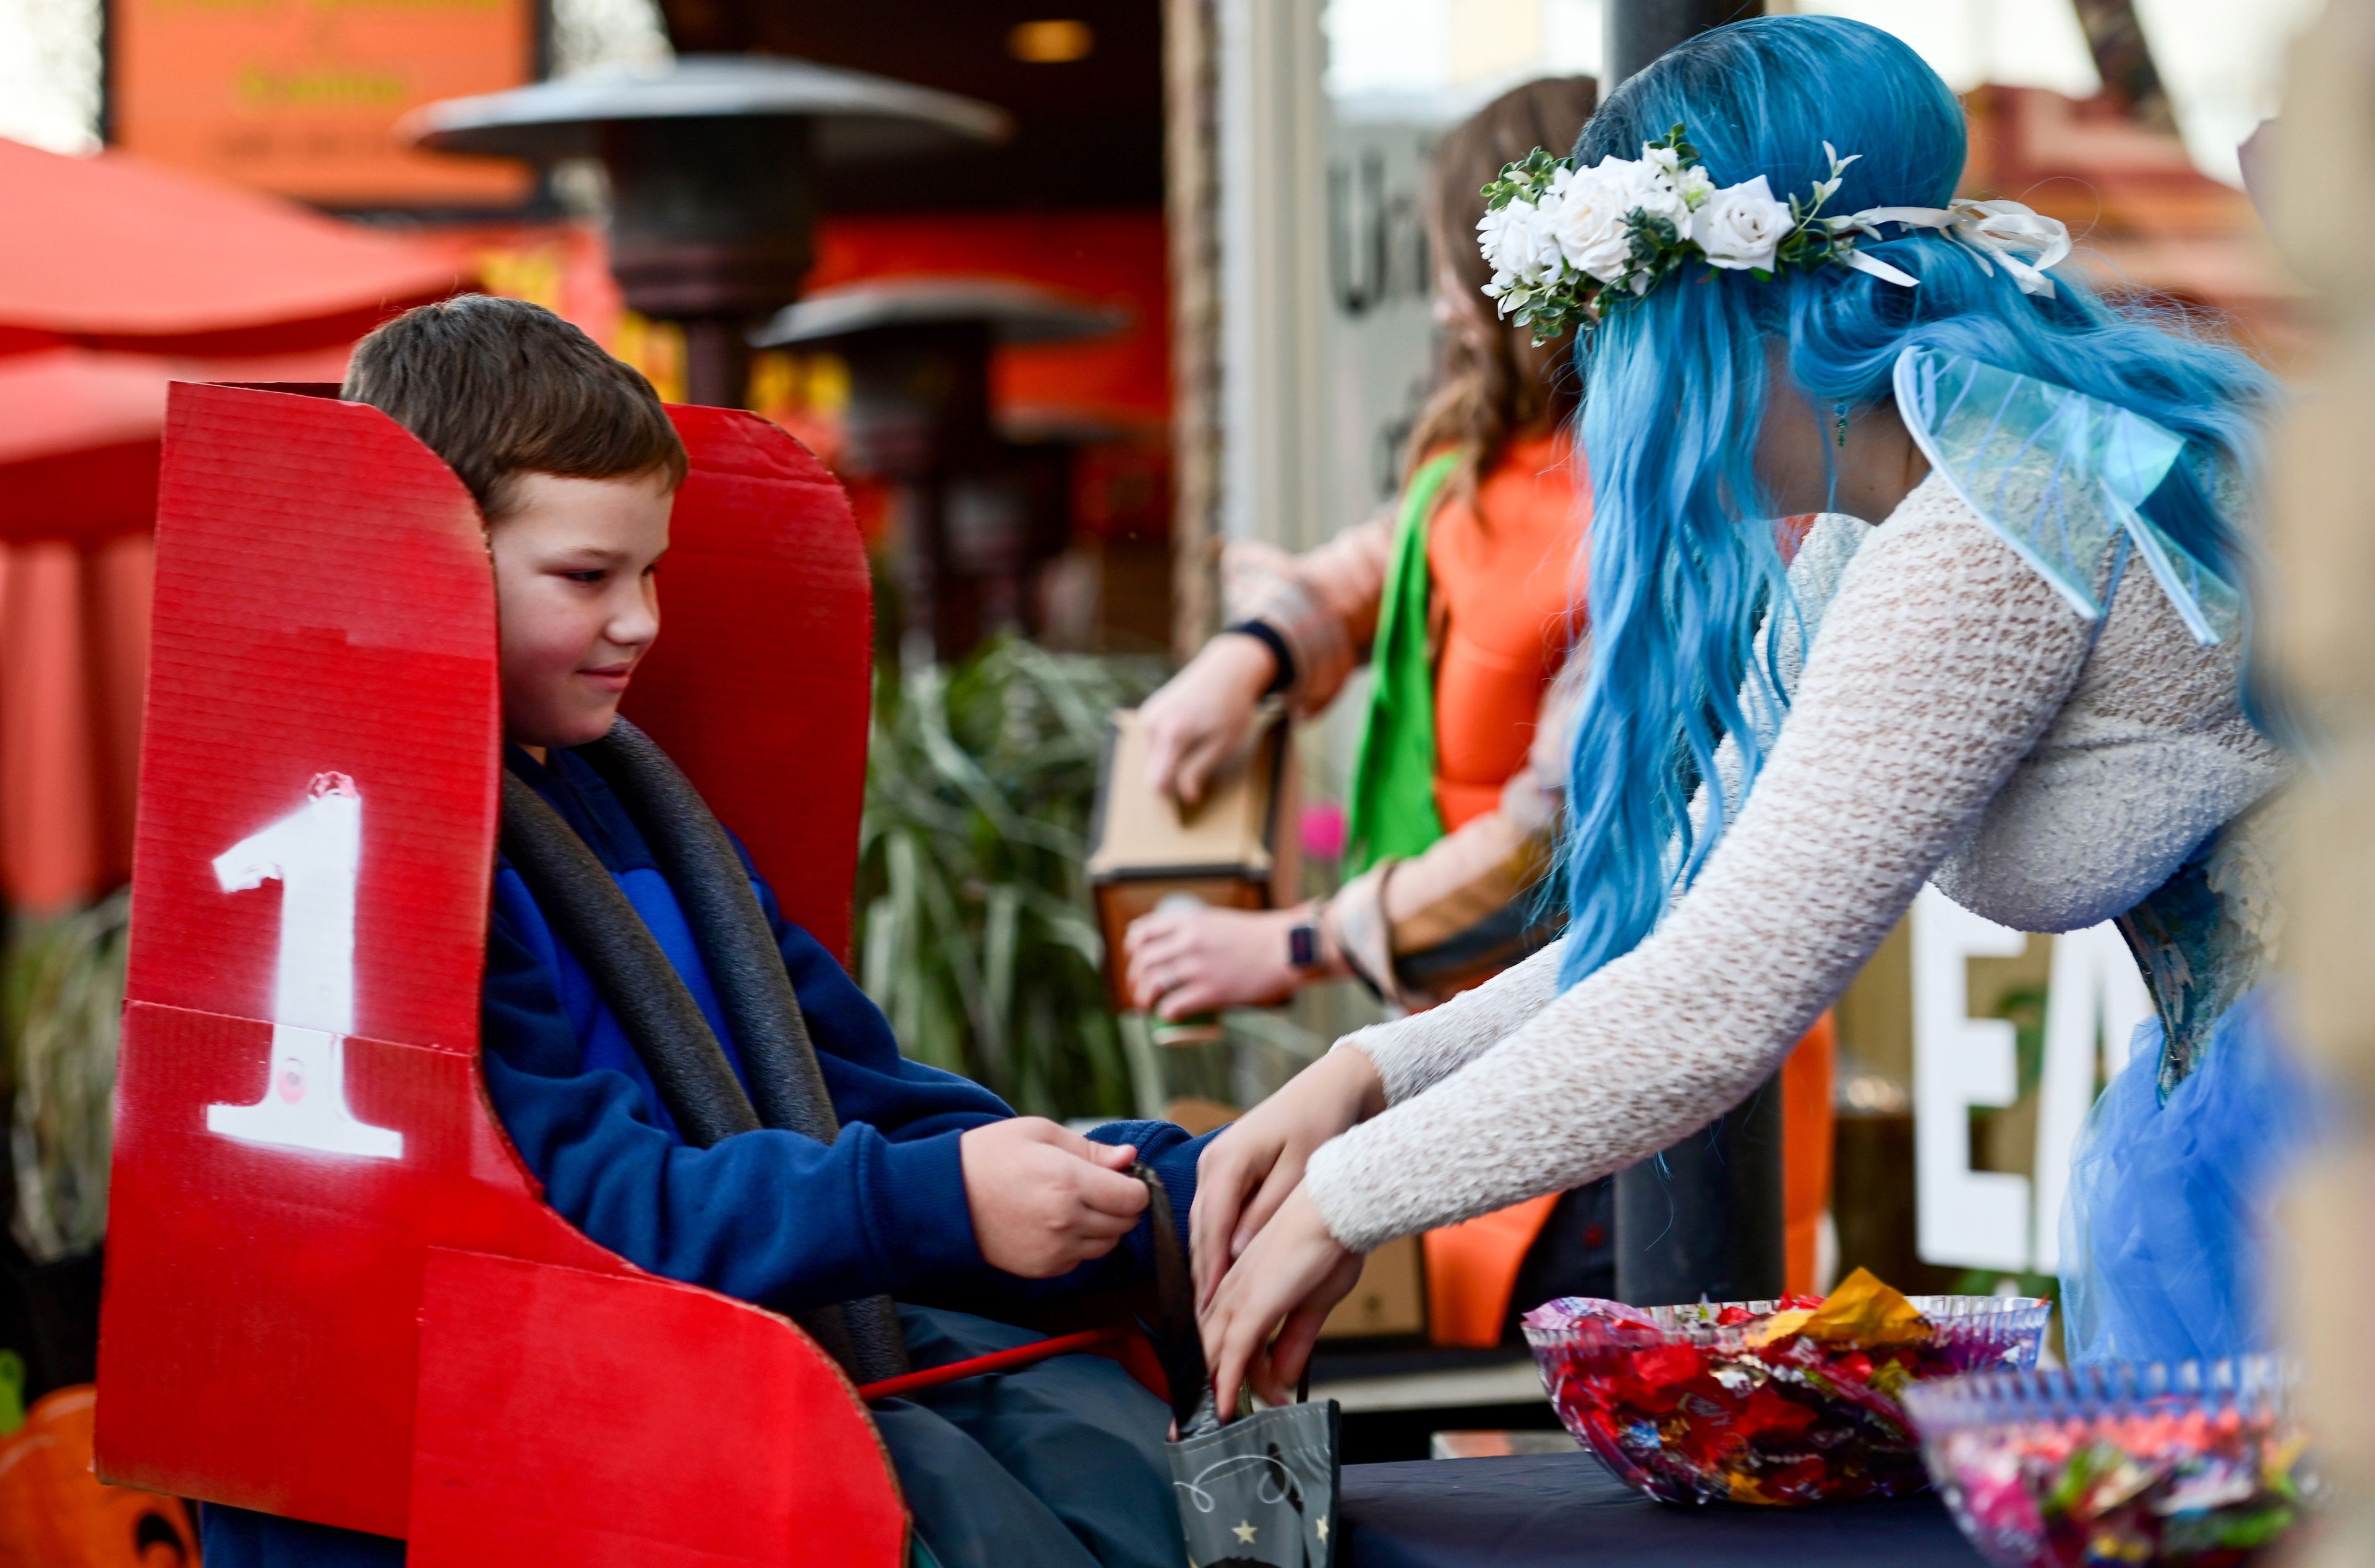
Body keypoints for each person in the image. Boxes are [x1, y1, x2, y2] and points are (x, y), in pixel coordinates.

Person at [1191, 14, 2299, 1412]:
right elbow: (1681, 916)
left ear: (1708, 315)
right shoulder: (1918, 503)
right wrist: (1366, 1069)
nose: (1595, 398)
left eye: (1606, 332)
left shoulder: (1984, 524)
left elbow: (1714, 1003)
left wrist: (1343, 1198)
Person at [202, 297, 1206, 1568]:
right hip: (468, 1493)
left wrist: (1150, 1177)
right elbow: (572, 1212)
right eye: (586, 575)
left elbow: (854, 1084)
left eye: (651, 569)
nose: (641, 621)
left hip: (673, 1422)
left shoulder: (637, 805)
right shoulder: (373, 841)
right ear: (425, 552)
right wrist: (933, 1200)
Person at [1124, 75, 1596, 1022]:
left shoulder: (1646, 506)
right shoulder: (1484, 444)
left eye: (1450, 264)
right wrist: (1247, 656)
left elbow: (1553, 840)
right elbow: (1387, 562)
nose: (1438, 307)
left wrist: (1297, 943)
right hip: (1469, 1028)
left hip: (1585, 1058)